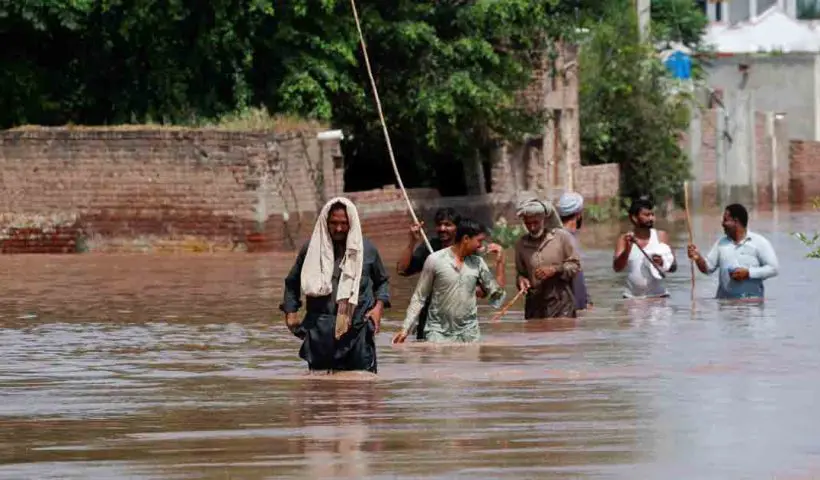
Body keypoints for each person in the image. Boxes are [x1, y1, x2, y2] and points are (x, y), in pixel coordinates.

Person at [280, 197, 391, 373]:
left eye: (343, 223)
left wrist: (378, 309)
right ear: (325, 221)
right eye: (333, 223)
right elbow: (292, 282)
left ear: (351, 222)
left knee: (362, 392)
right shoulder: (311, 250)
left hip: (358, 332)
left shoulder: (367, 250)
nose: (338, 228)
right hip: (320, 332)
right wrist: (290, 313)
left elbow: (382, 283)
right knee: (321, 392)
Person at [392, 218, 506, 344]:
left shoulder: (478, 263)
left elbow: (497, 294)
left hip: (469, 333)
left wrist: (500, 263)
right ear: (466, 239)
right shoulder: (435, 260)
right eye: (479, 241)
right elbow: (419, 297)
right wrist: (405, 329)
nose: (481, 245)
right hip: (437, 333)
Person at [687, 203, 779, 299]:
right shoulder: (721, 244)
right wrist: (697, 257)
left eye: (725, 220)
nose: (722, 224)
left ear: (736, 222)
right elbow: (707, 269)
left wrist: (748, 273)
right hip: (725, 306)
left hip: (752, 306)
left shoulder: (759, 242)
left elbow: (773, 269)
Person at [514, 195, 582, 319]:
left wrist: (554, 270)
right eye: (528, 223)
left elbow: (575, 266)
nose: (532, 227)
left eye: (535, 222)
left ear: (544, 220)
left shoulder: (561, 237)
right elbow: (521, 273)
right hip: (534, 306)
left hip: (561, 304)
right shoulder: (521, 244)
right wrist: (521, 281)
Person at [612, 196, 678, 299]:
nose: (651, 218)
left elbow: (673, 267)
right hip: (632, 299)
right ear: (634, 217)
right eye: (647, 215)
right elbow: (617, 268)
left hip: (659, 298)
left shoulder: (661, 236)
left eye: (652, 214)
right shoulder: (624, 239)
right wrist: (627, 250)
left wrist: (662, 262)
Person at [556, 191, 592, 310]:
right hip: (568, 307)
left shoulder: (564, 236)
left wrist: (587, 300)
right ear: (578, 214)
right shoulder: (566, 238)